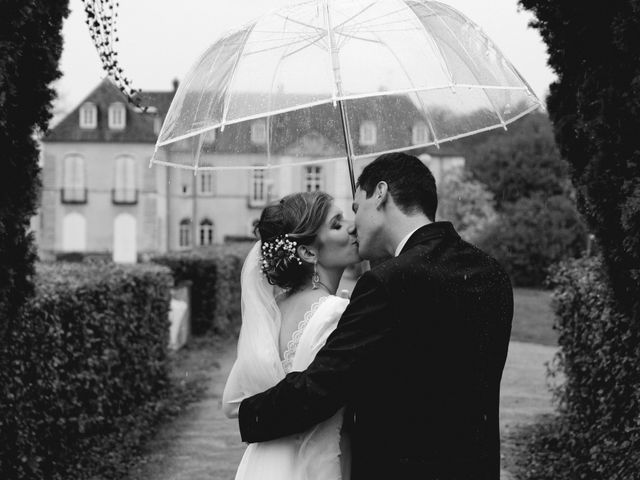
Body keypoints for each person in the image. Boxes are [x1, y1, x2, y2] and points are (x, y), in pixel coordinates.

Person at [237, 152, 514, 480]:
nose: (355, 225)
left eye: (356, 208)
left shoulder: (388, 282)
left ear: (380, 194)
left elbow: (324, 385)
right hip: (474, 467)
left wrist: (248, 414)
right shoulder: (491, 272)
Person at [222, 190, 361, 480]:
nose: (352, 226)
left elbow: (232, 403)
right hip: (315, 465)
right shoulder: (337, 312)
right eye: (336, 224)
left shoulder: (271, 311)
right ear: (309, 252)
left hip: (262, 465)